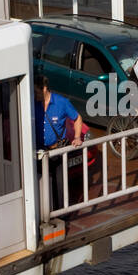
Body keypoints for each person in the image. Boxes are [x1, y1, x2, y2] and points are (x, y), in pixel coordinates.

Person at [34, 74, 85, 211]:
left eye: (36, 91)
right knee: (42, 185)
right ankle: (44, 212)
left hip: (57, 152)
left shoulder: (61, 102)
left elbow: (77, 118)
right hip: (39, 153)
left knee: (60, 185)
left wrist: (77, 137)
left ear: (44, 89)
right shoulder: (33, 104)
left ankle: (61, 213)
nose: (34, 95)